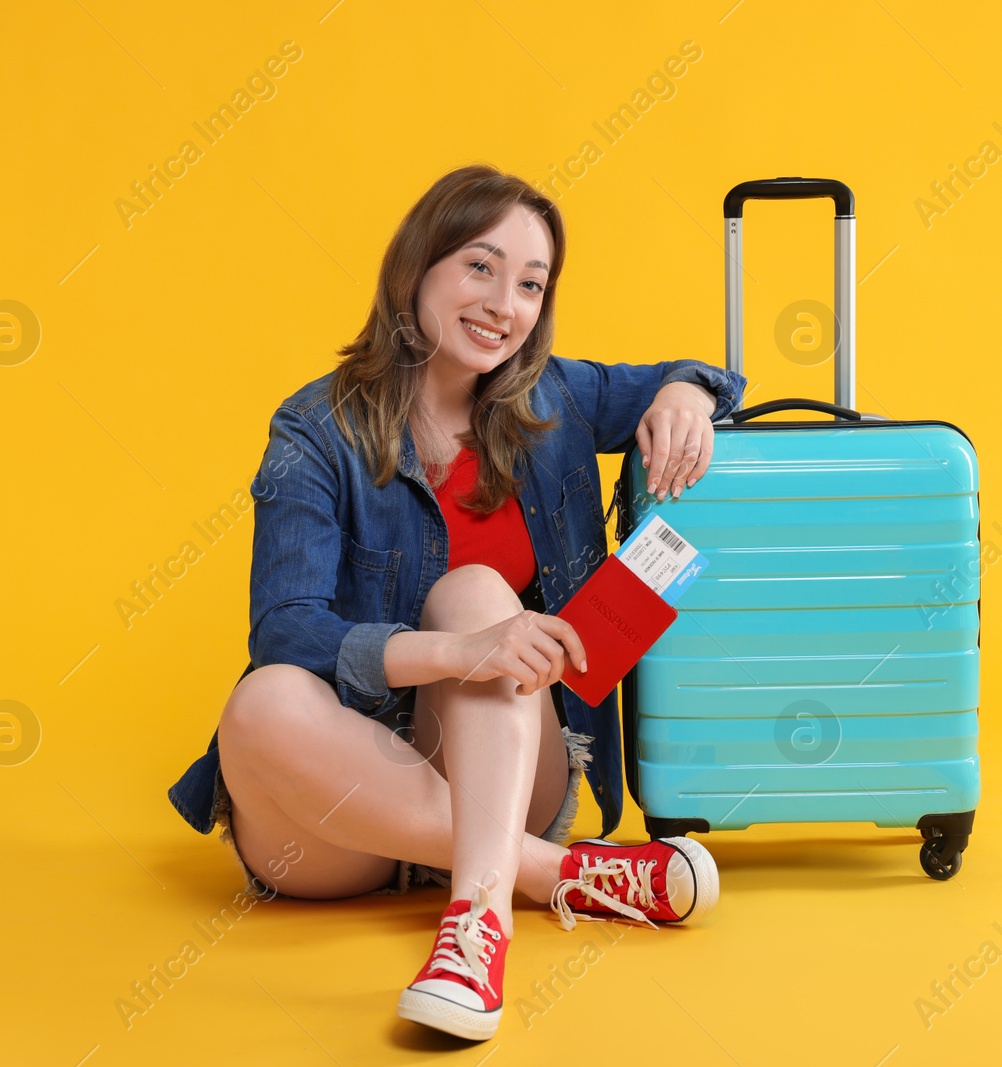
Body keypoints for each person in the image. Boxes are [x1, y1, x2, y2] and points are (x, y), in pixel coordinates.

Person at [165, 163, 746, 1042]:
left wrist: (684, 394)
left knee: (472, 590)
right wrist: (457, 653)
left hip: (505, 768)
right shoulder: (314, 428)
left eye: (529, 283)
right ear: (419, 269)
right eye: (480, 266)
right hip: (334, 810)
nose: (503, 302)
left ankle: (477, 925)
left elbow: (691, 372)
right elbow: (286, 627)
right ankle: (560, 874)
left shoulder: (557, 399)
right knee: (261, 700)